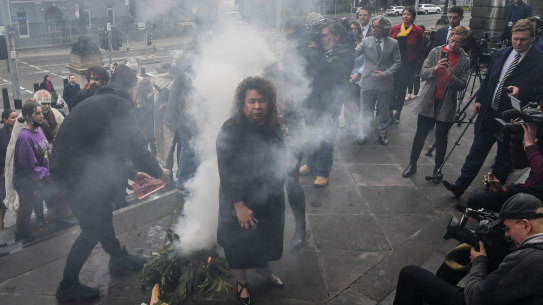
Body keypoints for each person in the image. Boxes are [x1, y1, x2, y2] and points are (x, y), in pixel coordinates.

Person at [51, 65, 171, 303]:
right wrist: (160, 172)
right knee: (93, 227)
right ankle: (67, 286)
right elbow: (137, 148)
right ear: (133, 88)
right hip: (74, 173)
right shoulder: (120, 104)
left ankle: (118, 258)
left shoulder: (103, 100)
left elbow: (110, 148)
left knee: (102, 214)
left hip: (76, 168)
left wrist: (132, 174)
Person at [443, 19, 543, 198]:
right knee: (476, 152)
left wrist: (523, 91)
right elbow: (489, 79)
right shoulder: (501, 54)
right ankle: (460, 185)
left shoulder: (539, 60)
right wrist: (480, 98)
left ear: (533, 37)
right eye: (515, 39)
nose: (518, 43)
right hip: (489, 112)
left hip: (513, 118)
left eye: (523, 39)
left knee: (504, 160)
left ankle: (492, 193)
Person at [392, 193, 543, 305]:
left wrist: (479, 262)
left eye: (508, 228)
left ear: (526, 225)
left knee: (410, 274)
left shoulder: (529, 259)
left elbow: (474, 298)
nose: (507, 233)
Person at [216, 76, 287, 305]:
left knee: (268, 237)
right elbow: (226, 171)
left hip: (269, 195)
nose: (257, 107)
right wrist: (239, 206)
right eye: (252, 101)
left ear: (270, 102)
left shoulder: (272, 124)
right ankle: (242, 282)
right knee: (241, 243)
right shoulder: (231, 129)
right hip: (241, 197)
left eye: (262, 101)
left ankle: (265, 271)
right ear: (242, 103)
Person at [402, 26, 470, 181]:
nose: (453, 45)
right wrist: (435, 68)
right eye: (452, 40)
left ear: (463, 43)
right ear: (449, 37)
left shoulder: (465, 59)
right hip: (429, 100)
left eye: (458, 43)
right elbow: (422, 73)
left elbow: (462, 85)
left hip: (446, 103)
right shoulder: (436, 52)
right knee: (420, 135)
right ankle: (412, 164)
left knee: (441, 138)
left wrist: (451, 76)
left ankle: (437, 169)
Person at [299, 20, 355, 187]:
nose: (321, 38)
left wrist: (314, 49)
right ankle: (310, 162)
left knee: (325, 135)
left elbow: (324, 68)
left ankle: (323, 172)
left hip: (330, 102)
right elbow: (310, 68)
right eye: (321, 35)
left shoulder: (346, 53)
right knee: (311, 132)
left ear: (337, 36)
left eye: (325, 35)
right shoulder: (326, 49)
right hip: (313, 98)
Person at [467, 122, 543, 212]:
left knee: (476, 198)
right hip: (529, 192)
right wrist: (516, 139)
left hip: (536, 202)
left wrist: (530, 145)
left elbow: (540, 173)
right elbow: (519, 164)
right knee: (476, 199)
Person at [354, 16, 401, 146]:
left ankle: (382, 134)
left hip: (384, 83)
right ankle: (362, 134)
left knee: (383, 111)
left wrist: (384, 74)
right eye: (372, 26)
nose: (373, 29)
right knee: (364, 110)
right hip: (367, 82)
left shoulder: (393, 43)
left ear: (384, 29)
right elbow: (354, 53)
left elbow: (398, 63)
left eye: (376, 27)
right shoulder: (365, 41)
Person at [13, 102, 49, 241]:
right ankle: (21, 235)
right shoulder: (24, 137)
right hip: (26, 182)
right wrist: (47, 174)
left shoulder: (38, 129)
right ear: (28, 116)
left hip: (39, 178)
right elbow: (30, 167)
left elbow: (46, 151)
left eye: (41, 112)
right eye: (38, 113)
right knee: (26, 209)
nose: (41, 116)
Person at [388, 6, 424, 124]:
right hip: (394, 63)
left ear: (413, 17)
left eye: (408, 14)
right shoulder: (395, 28)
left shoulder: (418, 30)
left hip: (408, 64)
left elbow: (420, 48)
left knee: (402, 89)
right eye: (404, 14)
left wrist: (413, 60)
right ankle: (389, 112)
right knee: (392, 88)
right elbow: (389, 44)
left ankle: (398, 113)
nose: (405, 16)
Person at [0, 109, 16, 230]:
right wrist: (2, 171)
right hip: (5, 174)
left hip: (19, 171)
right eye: (12, 117)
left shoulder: (20, 130)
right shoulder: (1, 135)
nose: (15, 119)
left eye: (16, 116)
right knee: (2, 203)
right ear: (5, 120)